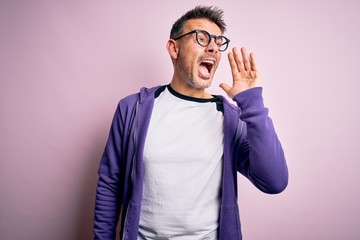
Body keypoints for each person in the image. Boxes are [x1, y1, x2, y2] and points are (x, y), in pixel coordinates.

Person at [93, 5, 288, 240]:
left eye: (218, 42)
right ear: (173, 48)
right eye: (202, 38)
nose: (213, 47)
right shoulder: (133, 108)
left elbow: (274, 181)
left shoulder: (229, 117)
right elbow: (110, 183)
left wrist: (252, 103)